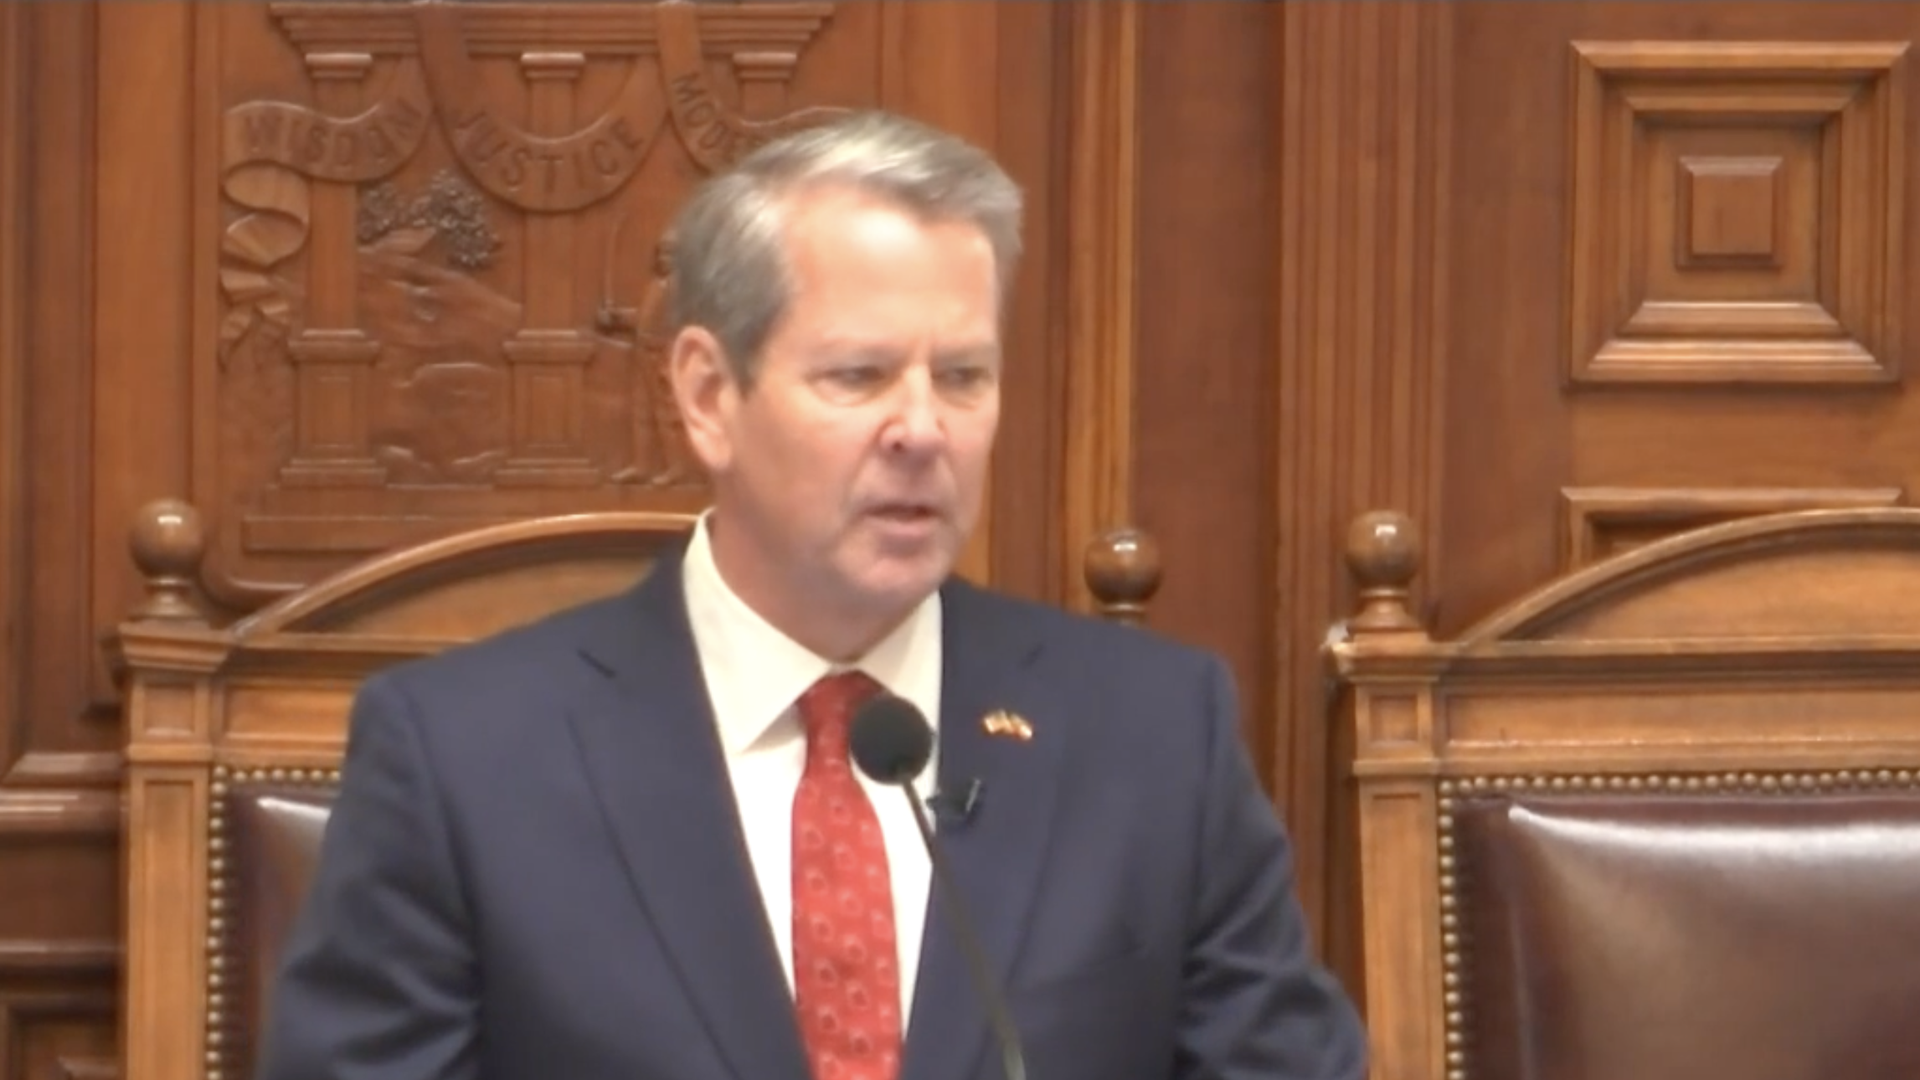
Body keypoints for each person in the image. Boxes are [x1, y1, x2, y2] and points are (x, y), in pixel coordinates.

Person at [255, 109, 1367, 1080]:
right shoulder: (464, 761)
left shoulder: (1153, 736)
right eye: (858, 376)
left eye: (964, 377)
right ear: (707, 396)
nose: (923, 430)